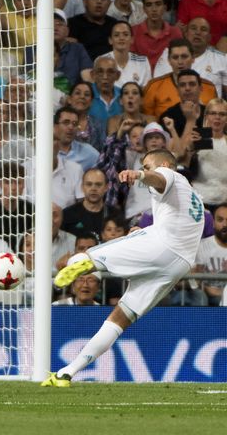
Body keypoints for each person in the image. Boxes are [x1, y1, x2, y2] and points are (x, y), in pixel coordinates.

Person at [42, 148, 204, 387]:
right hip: (178, 264)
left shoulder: (172, 176)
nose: (147, 170)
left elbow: (158, 178)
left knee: (86, 256)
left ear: (167, 165)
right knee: (120, 318)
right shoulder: (194, 198)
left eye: (148, 165)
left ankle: (76, 269)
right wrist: (147, 234)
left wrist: (138, 175)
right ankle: (67, 372)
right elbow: (177, 224)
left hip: (163, 245)